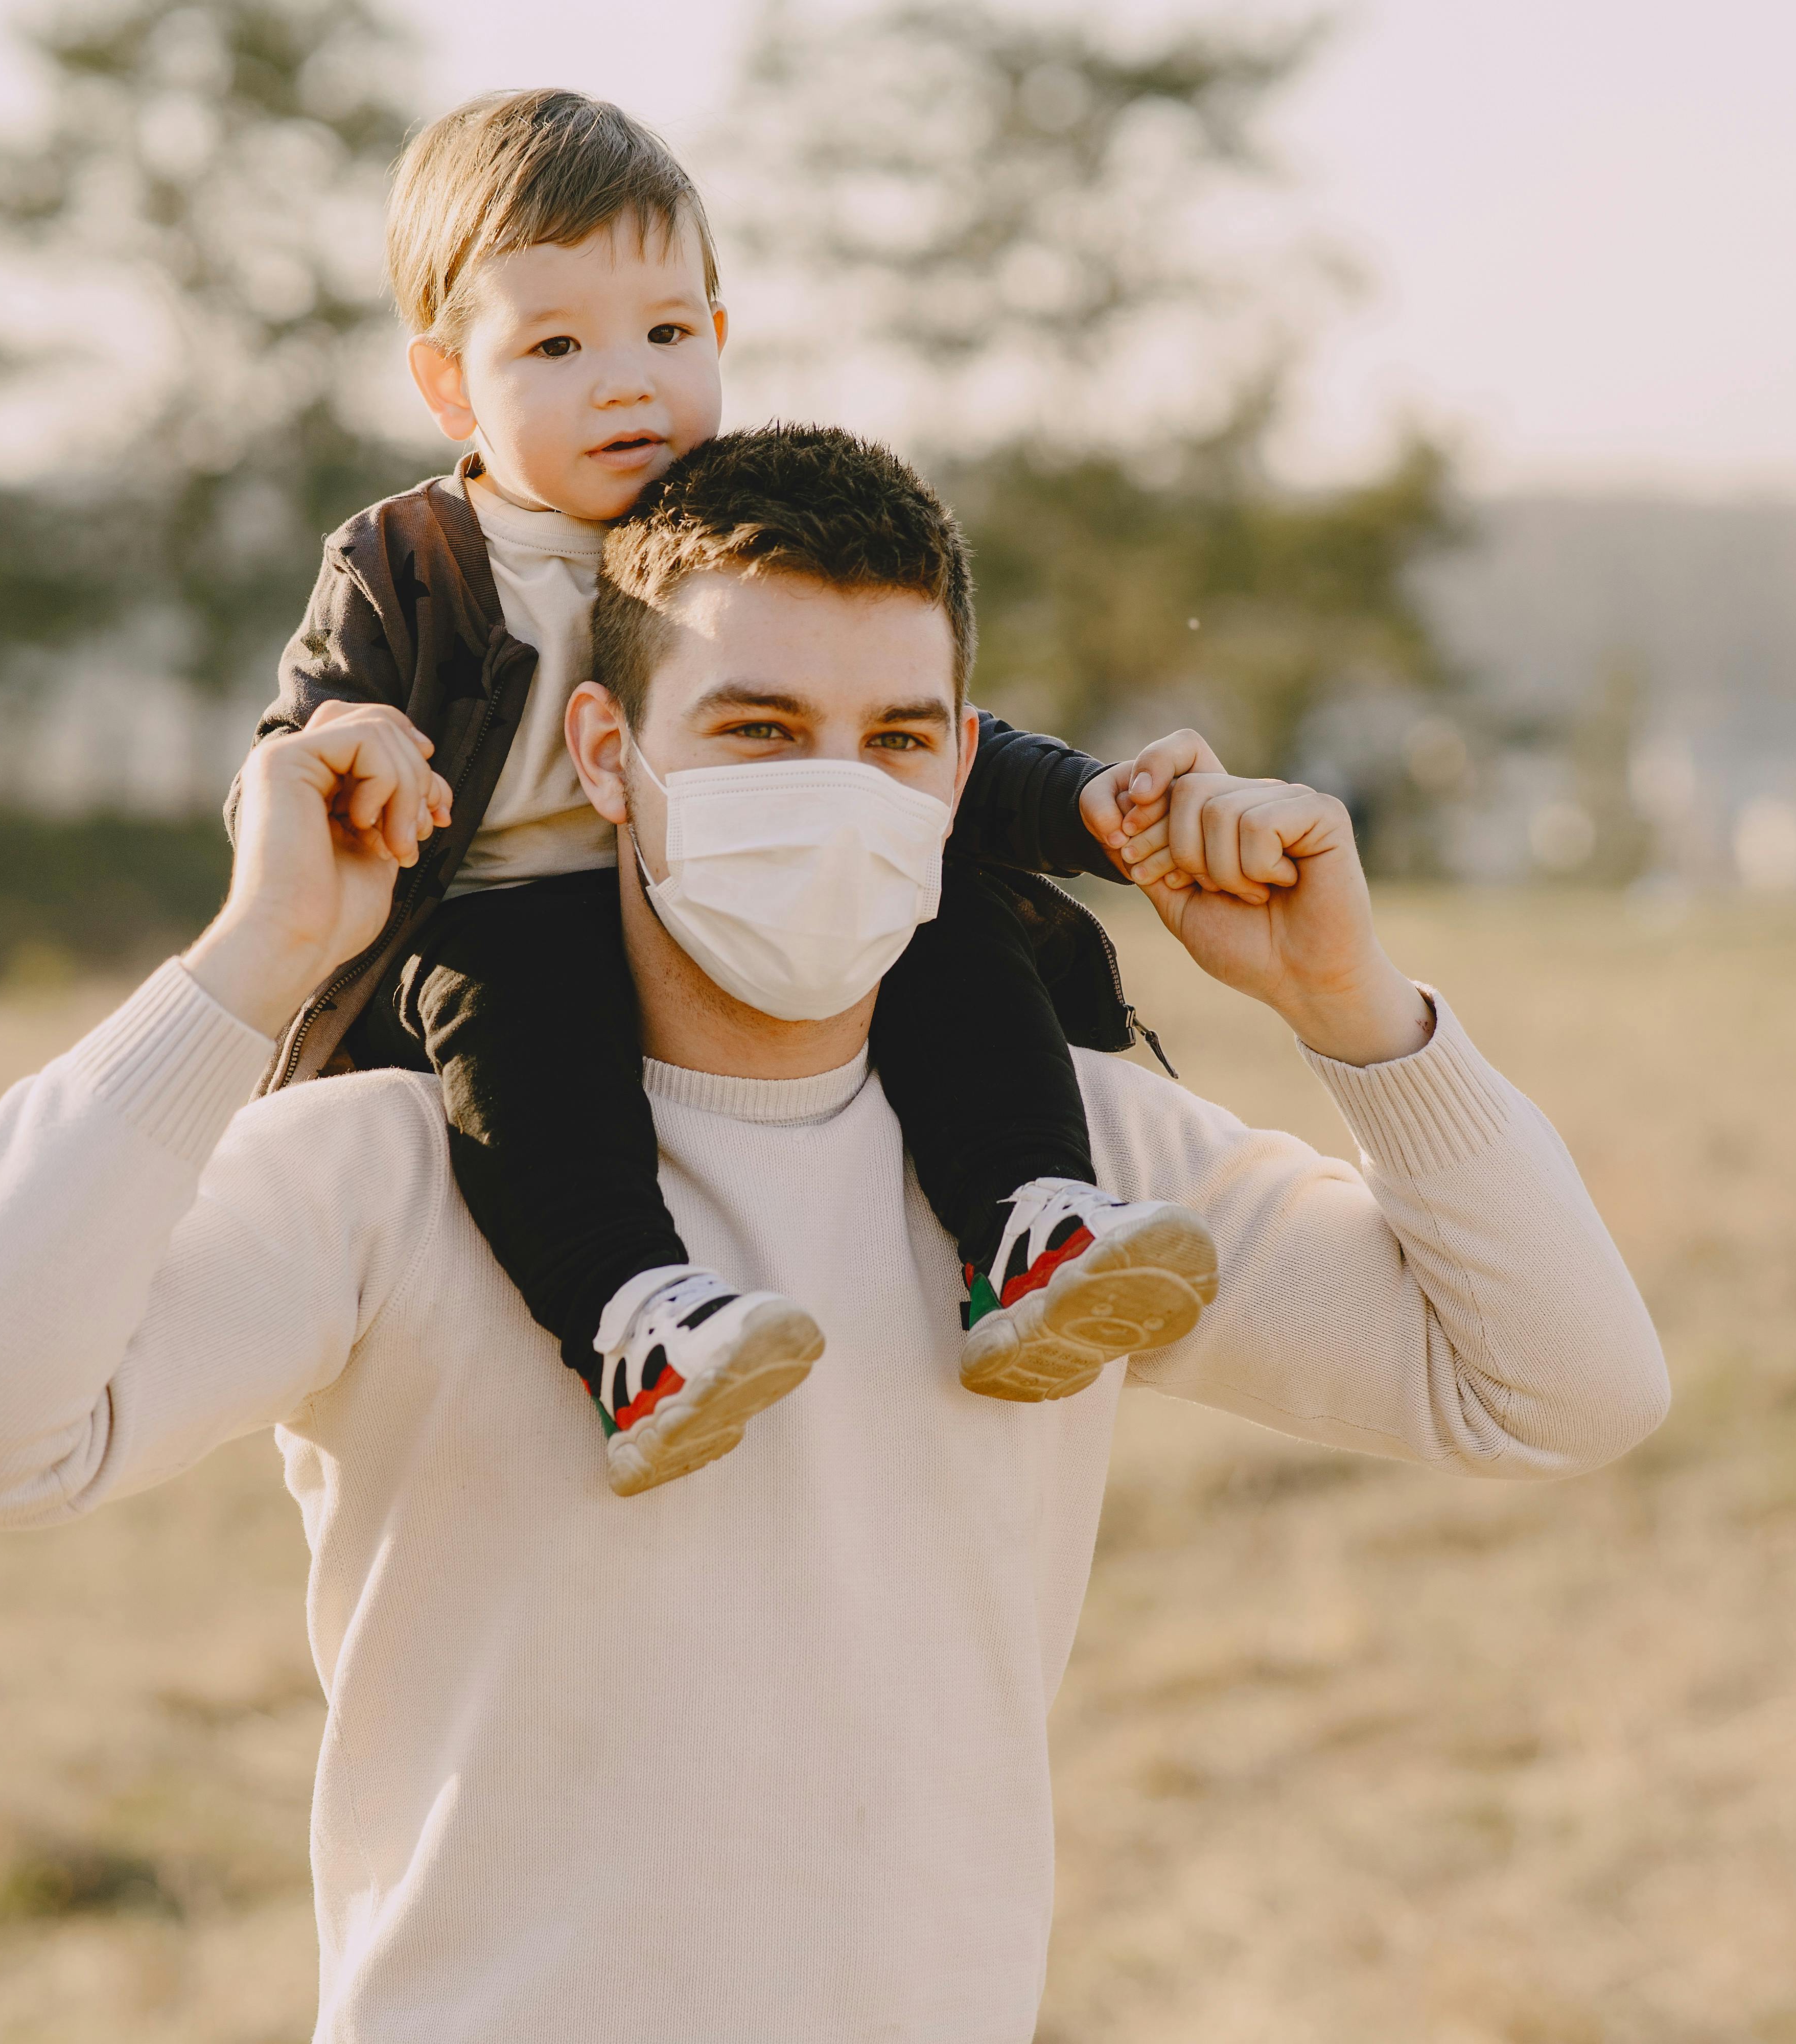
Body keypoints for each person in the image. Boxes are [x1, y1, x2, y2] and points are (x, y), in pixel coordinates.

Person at [0, 426, 1670, 2040]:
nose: (832, 793)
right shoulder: (396, 1167)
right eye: (759, 729)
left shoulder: (1078, 1167)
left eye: (895, 739)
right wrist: (251, 965)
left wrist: (1356, 1013)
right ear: (609, 750)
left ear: (957, 776)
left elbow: (1557, 1394)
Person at [258, 87, 1231, 1495]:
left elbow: (900, 724)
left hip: (728, 882)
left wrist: (1084, 806)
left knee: (944, 909)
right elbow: (286, 763)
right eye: (556, 344)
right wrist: (353, 765)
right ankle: (634, 1321)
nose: (625, 382)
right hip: (508, 915)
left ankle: (1027, 1222)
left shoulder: (715, 527)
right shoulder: (410, 564)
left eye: (665, 333)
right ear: (450, 382)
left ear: (719, 338)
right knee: (522, 1028)